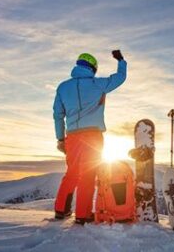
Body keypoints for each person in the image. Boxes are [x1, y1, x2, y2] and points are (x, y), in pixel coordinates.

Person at [52, 50, 127, 225]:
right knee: (87, 175)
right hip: (93, 136)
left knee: (71, 173)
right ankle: (83, 215)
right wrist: (121, 61)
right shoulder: (98, 84)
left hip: (72, 137)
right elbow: (120, 77)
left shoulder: (63, 87)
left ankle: (61, 210)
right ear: (93, 68)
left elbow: (57, 115)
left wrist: (60, 139)